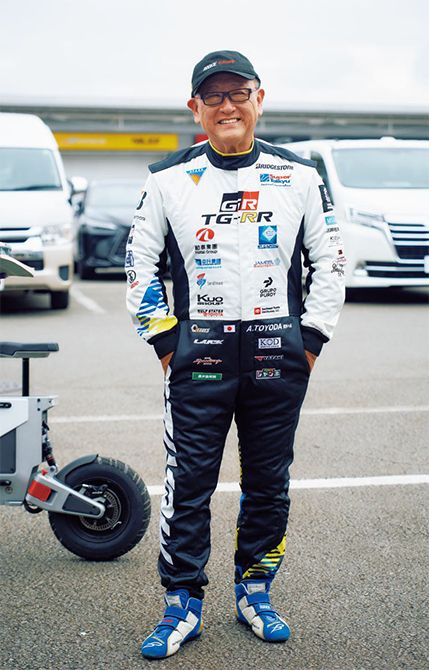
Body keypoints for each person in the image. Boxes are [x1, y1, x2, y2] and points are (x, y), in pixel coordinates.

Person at [126, 50, 346, 659]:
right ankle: (182, 602)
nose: (227, 106)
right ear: (195, 108)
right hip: (197, 359)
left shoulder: (299, 176)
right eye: (214, 96)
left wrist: (311, 341)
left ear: (259, 99)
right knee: (188, 485)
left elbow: (330, 263)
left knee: (269, 485)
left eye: (238, 93)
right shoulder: (166, 178)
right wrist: (165, 343)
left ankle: (255, 590)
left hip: (280, 356)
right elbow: (138, 265)